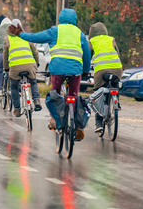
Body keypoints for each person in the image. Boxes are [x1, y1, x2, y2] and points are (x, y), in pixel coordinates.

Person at [8, 8, 91, 140]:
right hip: (75, 71)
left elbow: (35, 37)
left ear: (60, 19)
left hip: (58, 70)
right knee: (73, 96)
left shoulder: (55, 31)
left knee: (54, 95)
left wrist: (20, 34)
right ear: (74, 20)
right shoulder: (80, 34)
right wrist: (86, 69)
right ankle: (77, 127)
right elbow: (86, 54)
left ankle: (54, 119)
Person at [88, 22, 123, 134]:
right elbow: (117, 53)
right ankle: (116, 100)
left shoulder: (92, 41)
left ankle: (98, 124)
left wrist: (84, 70)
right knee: (115, 84)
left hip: (101, 71)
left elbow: (87, 56)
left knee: (98, 94)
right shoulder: (111, 39)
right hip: (117, 68)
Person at [4, 19, 42, 117]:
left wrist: (6, 68)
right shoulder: (26, 37)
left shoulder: (7, 39)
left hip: (15, 67)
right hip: (29, 64)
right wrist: (37, 63)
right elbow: (35, 52)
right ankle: (37, 101)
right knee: (33, 82)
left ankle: (17, 108)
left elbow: (5, 56)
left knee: (14, 86)